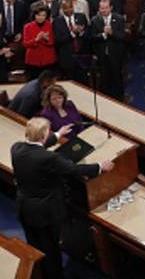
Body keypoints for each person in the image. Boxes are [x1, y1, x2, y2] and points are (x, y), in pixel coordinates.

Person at [12, 117, 114, 279]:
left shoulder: (16, 149)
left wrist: (58, 135)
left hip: (25, 208)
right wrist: (99, 167)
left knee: (34, 245)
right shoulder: (48, 158)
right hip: (45, 213)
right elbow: (73, 169)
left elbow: (35, 147)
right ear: (43, 135)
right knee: (51, 250)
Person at [22, 4, 56, 78]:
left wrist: (47, 39)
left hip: (48, 60)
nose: (40, 17)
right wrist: (36, 39)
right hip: (33, 60)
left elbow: (55, 42)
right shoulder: (27, 27)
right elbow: (25, 44)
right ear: (34, 15)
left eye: (43, 15)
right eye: (38, 15)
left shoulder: (50, 25)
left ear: (46, 16)